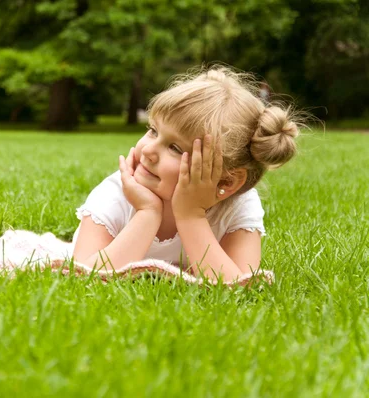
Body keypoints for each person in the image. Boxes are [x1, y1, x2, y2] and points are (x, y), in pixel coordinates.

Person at [71, 66, 300, 282]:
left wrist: (191, 216)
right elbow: (84, 276)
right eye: (153, 131)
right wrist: (147, 213)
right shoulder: (116, 193)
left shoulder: (237, 207)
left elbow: (239, 288)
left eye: (175, 148)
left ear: (227, 181)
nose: (148, 150)